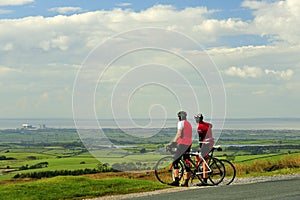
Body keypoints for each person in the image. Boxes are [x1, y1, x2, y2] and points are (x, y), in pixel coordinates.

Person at [169, 111, 193, 187]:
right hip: (188, 144)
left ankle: (176, 181)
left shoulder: (180, 123)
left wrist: (173, 143)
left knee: (175, 160)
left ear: (179, 117)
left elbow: (179, 134)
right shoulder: (188, 123)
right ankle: (186, 182)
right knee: (187, 161)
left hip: (182, 144)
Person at [194, 114, 214, 185]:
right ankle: (203, 176)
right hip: (210, 142)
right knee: (203, 159)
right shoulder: (207, 124)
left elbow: (200, 138)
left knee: (204, 161)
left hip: (205, 144)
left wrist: (200, 147)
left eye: (196, 119)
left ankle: (204, 180)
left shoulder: (200, 127)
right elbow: (211, 125)